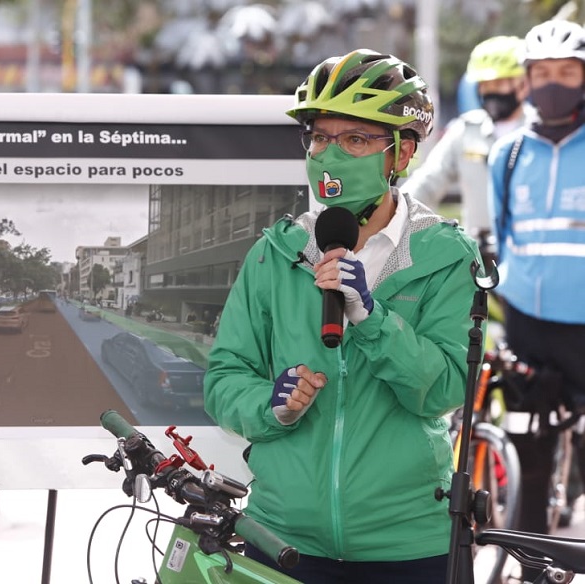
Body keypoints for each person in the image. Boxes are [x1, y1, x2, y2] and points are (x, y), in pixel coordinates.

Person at [203, 49, 480, 583]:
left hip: (410, 545)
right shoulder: (275, 253)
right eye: (320, 137)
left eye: (355, 139)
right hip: (282, 539)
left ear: (401, 153)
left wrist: (373, 319)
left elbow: (446, 389)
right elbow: (223, 378)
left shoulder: (448, 255)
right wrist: (270, 404)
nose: (331, 154)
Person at [487, 19, 585, 573]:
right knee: (530, 444)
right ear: (526, 81)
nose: (554, 83)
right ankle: (530, 564)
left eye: (567, 72)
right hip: (527, 320)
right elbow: (505, 236)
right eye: (542, 73)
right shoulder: (509, 155)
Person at [402, 35, 530, 241]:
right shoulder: (465, 131)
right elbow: (427, 182)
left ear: (524, 84)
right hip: (479, 258)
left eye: (499, 83)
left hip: (528, 255)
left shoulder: (539, 134)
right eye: (484, 84)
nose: (490, 91)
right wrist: (396, 213)